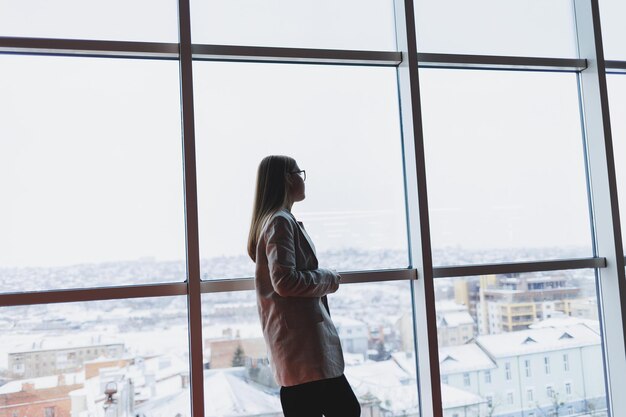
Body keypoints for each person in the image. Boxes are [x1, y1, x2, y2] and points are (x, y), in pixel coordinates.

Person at [247, 155, 361, 417]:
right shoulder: (280, 221)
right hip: (303, 348)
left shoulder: (276, 220)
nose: (303, 178)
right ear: (288, 178)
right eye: (300, 172)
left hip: (296, 348)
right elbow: (285, 281)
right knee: (346, 410)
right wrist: (328, 278)